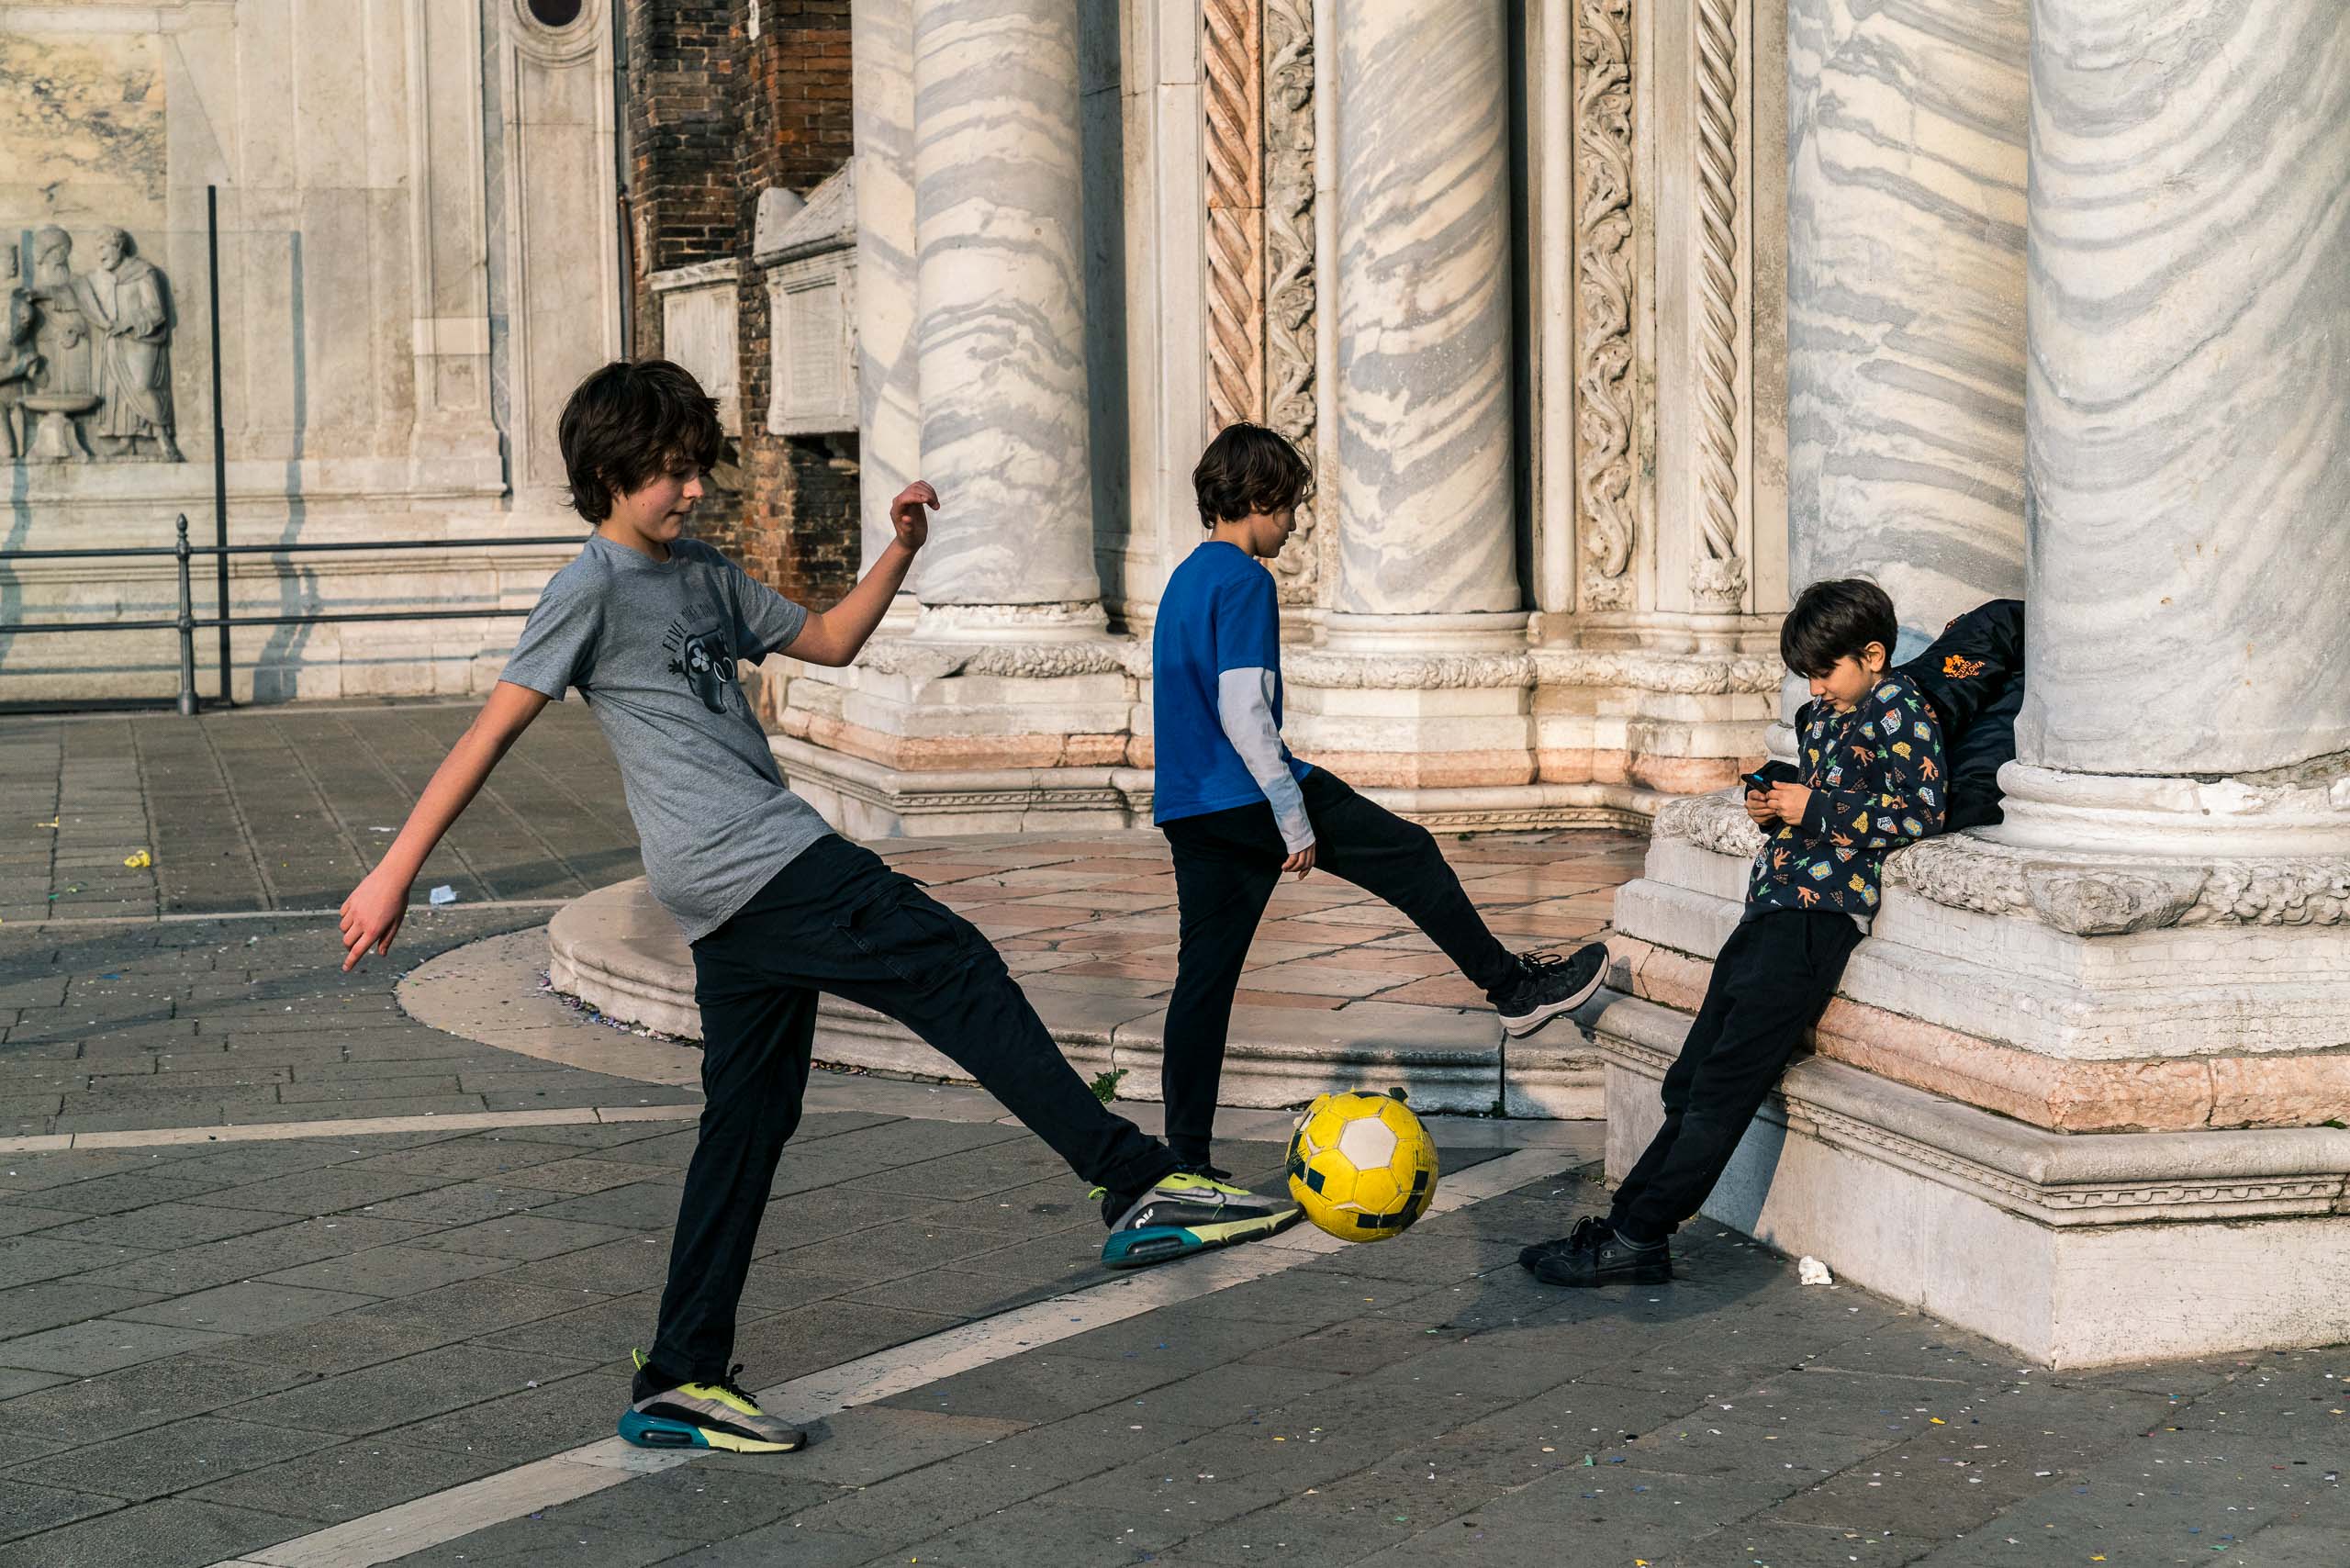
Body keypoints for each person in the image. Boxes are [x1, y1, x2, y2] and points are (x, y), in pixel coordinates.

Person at [337, 360, 1292, 1456]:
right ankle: (1136, 1183)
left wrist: (901, 550)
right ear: (607, 473)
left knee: (744, 1127)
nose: (692, 491)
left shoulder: (699, 573)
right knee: (953, 963)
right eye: (669, 473)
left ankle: (679, 1376)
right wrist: (394, 868)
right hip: (751, 859)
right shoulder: (587, 589)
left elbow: (831, 642)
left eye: (697, 469)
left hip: (732, 891)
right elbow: (492, 731)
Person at [1150, 421, 1610, 1177]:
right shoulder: (1245, 581)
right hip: (1251, 796)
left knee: (1203, 982)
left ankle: (1184, 1161)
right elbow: (1244, 710)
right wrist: (1292, 818)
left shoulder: (1183, 580)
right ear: (1260, 499)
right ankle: (1513, 989)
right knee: (1411, 854)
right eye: (1290, 506)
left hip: (1191, 808)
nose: (1293, 524)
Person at [1522, 577, 1946, 1287]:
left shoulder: (1900, 708)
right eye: (1807, 675)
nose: (1815, 688)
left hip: (1816, 923)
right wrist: (1773, 806)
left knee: (1722, 1086)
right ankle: (1631, 1227)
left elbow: (1919, 813)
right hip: (1772, 908)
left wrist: (1811, 806)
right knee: (1691, 1079)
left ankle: (1638, 1233)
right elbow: (1829, 800)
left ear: (1873, 655)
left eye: (1825, 671)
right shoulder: (1823, 719)